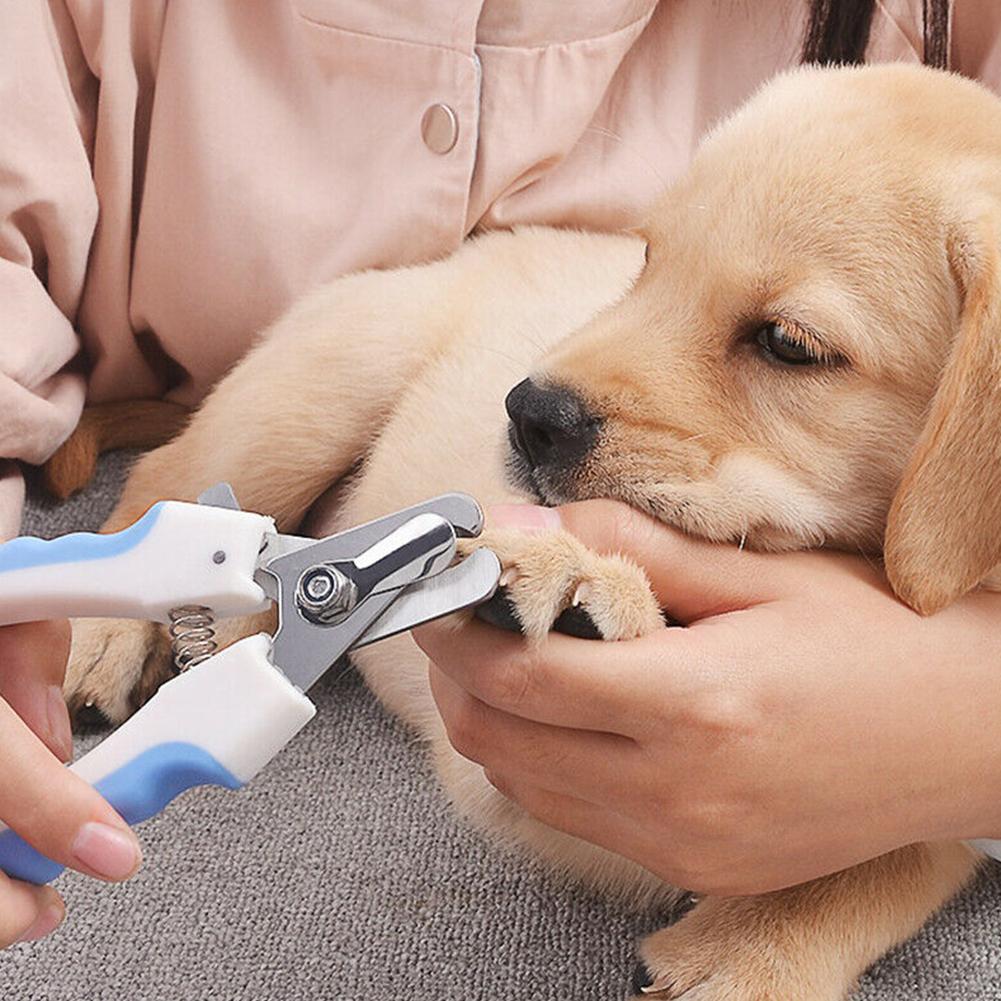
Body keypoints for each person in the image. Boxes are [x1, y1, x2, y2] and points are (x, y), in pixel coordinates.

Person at [1, 0, 999, 947]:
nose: (549, 393)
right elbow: (499, 765)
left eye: (784, 342)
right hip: (428, 337)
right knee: (364, 338)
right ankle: (160, 544)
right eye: (646, 261)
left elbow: (930, 828)